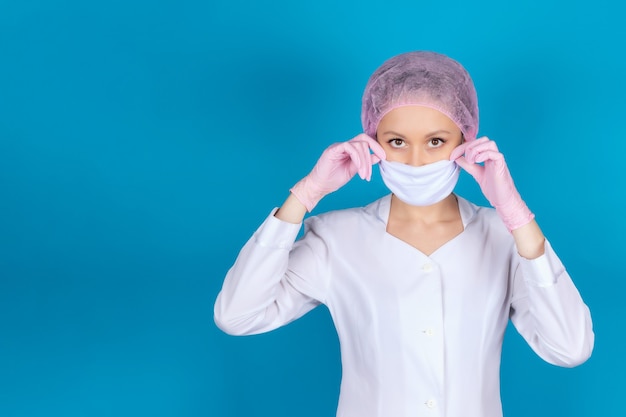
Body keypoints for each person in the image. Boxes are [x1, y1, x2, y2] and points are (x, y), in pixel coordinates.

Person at [213, 51, 594, 417]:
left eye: (435, 142)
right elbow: (237, 315)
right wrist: (306, 192)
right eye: (397, 141)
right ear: (374, 143)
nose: (415, 160)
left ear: (465, 141)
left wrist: (516, 216)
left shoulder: (503, 237)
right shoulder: (337, 238)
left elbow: (570, 347)